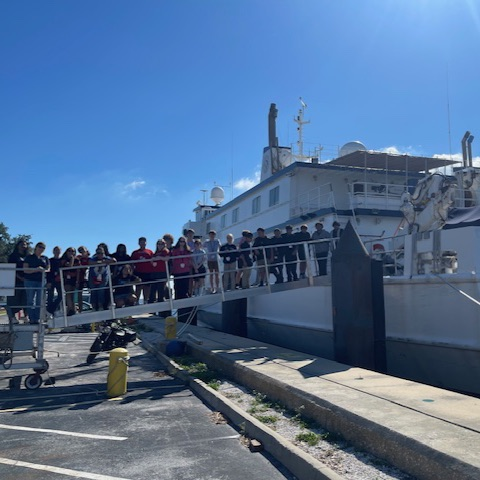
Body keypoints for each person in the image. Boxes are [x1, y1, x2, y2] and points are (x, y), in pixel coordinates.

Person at [23, 242, 50, 324]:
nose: (41, 249)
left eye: (43, 248)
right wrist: (35, 269)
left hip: (41, 281)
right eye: (40, 247)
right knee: (31, 300)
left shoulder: (45, 258)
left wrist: (43, 270)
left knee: (39, 301)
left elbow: (48, 269)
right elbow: (25, 270)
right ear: (36, 247)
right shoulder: (29, 257)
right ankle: (32, 318)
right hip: (30, 281)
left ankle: (37, 318)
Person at [6, 239, 29, 323]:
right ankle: (12, 317)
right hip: (14, 281)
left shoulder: (28, 256)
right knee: (14, 300)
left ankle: (26, 317)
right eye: (21, 244)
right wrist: (19, 277)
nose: (23, 246)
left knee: (26, 299)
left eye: (25, 244)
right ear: (17, 245)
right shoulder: (13, 256)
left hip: (26, 281)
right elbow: (11, 269)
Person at [88, 246, 116, 311]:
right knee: (93, 291)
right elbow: (89, 262)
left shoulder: (106, 258)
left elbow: (114, 260)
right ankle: (94, 307)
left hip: (103, 278)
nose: (100, 254)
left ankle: (100, 306)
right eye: (98, 253)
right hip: (93, 278)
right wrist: (100, 262)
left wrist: (105, 261)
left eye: (101, 253)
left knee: (101, 291)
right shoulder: (93, 258)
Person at [131, 237, 154, 304]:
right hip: (138, 272)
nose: (142, 243)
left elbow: (153, 261)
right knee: (138, 287)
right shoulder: (135, 253)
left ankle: (145, 301)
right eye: (141, 242)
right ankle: (137, 301)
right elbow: (132, 263)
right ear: (139, 243)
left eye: (144, 242)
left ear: (146, 243)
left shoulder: (150, 252)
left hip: (148, 272)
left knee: (147, 287)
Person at [60, 247, 80, 316]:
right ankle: (71, 309)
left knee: (72, 295)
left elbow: (78, 270)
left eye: (73, 251)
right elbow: (70, 266)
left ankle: (72, 309)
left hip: (74, 279)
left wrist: (77, 281)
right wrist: (72, 259)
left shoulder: (77, 260)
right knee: (68, 293)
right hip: (66, 279)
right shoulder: (63, 260)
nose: (71, 253)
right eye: (70, 251)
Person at [149, 239, 170, 303]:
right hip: (155, 272)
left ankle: (161, 299)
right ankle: (151, 300)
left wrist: (160, 258)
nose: (160, 245)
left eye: (162, 244)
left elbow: (167, 258)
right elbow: (152, 260)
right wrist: (153, 260)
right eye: (159, 244)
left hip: (162, 271)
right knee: (153, 287)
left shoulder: (165, 251)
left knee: (161, 287)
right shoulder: (155, 253)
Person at [46, 246, 62, 314]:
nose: (57, 252)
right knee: (50, 296)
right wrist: (48, 281)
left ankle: (50, 309)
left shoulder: (62, 260)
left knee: (61, 296)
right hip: (51, 280)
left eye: (58, 250)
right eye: (55, 250)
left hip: (59, 280)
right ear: (53, 251)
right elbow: (48, 272)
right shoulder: (50, 260)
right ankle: (50, 311)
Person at [76, 246, 90, 312]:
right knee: (79, 293)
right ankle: (80, 309)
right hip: (81, 277)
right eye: (80, 251)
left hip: (89, 277)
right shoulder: (79, 258)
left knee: (92, 290)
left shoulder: (90, 258)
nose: (82, 252)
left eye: (83, 250)